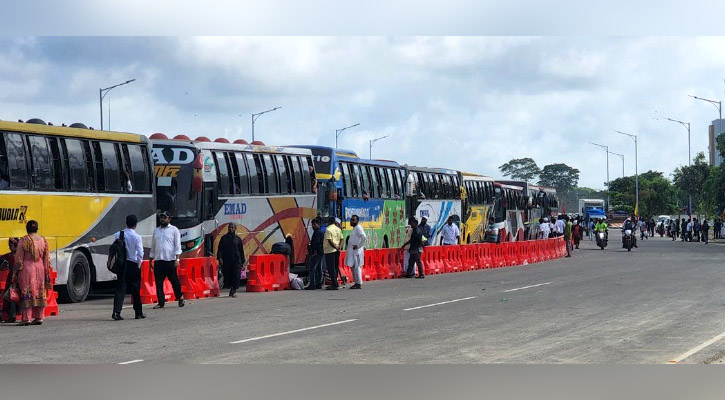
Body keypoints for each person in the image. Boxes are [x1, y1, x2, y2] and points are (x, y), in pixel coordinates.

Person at [12, 221, 51, 326]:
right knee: (39, 291)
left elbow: (19, 259)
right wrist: (46, 270)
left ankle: (26, 318)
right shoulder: (43, 240)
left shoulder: (24, 240)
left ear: (27, 229)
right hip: (40, 267)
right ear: (37, 229)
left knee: (27, 291)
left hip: (27, 268)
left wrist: (15, 272)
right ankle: (39, 317)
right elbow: (46, 258)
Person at [112, 215, 145, 321]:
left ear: (126, 223)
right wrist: (139, 264)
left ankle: (116, 312)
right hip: (133, 264)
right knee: (135, 289)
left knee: (120, 289)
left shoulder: (118, 234)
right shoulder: (137, 237)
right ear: (135, 225)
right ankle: (138, 313)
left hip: (122, 265)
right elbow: (140, 252)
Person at [149, 211, 184, 308]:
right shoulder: (156, 231)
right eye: (161, 217)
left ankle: (180, 297)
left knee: (174, 281)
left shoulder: (174, 230)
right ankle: (161, 302)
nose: (162, 219)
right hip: (159, 260)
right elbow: (153, 246)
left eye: (164, 218)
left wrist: (177, 259)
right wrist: (151, 260)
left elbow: (177, 245)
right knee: (159, 283)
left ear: (169, 219)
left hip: (170, 261)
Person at [217, 222, 245, 297]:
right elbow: (220, 249)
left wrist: (242, 261)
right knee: (228, 275)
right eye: (229, 227)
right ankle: (231, 288)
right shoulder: (224, 238)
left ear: (235, 229)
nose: (230, 229)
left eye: (232, 227)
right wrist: (220, 258)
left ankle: (234, 289)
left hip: (236, 260)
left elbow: (241, 250)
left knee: (236, 275)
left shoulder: (238, 239)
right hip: (227, 260)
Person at [345, 215, 367, 289]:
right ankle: (356, 282)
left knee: (357, 267)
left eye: (353, 220)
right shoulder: (355, 228)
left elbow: (364, 237)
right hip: (352, 251)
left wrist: (359, 246)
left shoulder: (358, 228)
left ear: (357, 221)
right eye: (351, 219)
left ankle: (359, 283)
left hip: (356, 251)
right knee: (353, 267)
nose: (351, 221)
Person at [1, 238, 19, 323]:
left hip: (14, 279)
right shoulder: (18, 256)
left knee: (10, 296)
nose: (9, 248)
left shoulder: (16, 256)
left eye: (11, 246)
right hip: (14, 278)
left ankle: (12, 316)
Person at [323, 216, 343, 290]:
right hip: (337, 251)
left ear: (328, 222)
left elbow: (329, 240)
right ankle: (335, 283)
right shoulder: (338, 229)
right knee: (335, 267)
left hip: (329, 250)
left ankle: (334, 284)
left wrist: (335, 247)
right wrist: (339, 247)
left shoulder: (328, 229)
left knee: (331, 268)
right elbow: (342, 239)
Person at [305, 218, 324, 290]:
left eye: (314, 224)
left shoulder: (317, 232)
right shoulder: (319, 232)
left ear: (318, 224)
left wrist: (314, 251)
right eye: (312, 224)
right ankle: (318, 283)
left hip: (317, 252)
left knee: (312, 268)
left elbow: (317, 243)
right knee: (319, 268)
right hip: (320, 252)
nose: (313, 226)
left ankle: (312, 284)